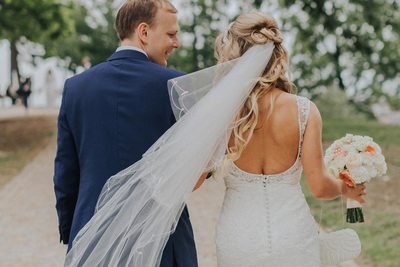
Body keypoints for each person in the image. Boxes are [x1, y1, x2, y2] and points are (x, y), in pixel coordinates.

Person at [63, 11, 366, 267]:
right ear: (275, 53)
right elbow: (319, 186)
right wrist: (347, 188)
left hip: (238, 238)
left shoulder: (221, 114)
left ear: (234, 56)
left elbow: (189, 183)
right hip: (293, 234)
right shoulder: (305, 111)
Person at [53, 1, 198, 266]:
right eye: (171, 34)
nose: (176, 43)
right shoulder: (176, 87)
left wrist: (71, 231)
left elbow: (66, 174)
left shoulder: (76, 88)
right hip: (162, 240)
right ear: (143, 32)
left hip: (91, 233)